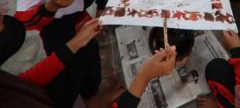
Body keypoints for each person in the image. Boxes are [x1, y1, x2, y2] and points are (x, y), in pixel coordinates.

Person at [0, 14, 177, 108]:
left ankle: (93, 102)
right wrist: (143, 77)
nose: (3, 13)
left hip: (40, 96)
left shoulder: (9, 88)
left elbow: (24, 82)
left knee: (85, 47)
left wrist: (75, 43)